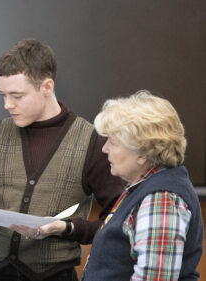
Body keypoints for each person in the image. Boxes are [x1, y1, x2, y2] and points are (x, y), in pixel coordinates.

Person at [0, 38, 123, 281]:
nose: (8, 104)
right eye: (3, 95)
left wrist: (69, 228)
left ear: (47, 87)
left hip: (54, 276)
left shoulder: (93, 144)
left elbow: (119, 221)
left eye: (17, 95)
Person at [81, 91, 203, 280]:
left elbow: (153, 277)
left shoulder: (161, 198)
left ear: (142, 153)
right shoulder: (145, 187)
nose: (104, 149)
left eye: (112, 142)